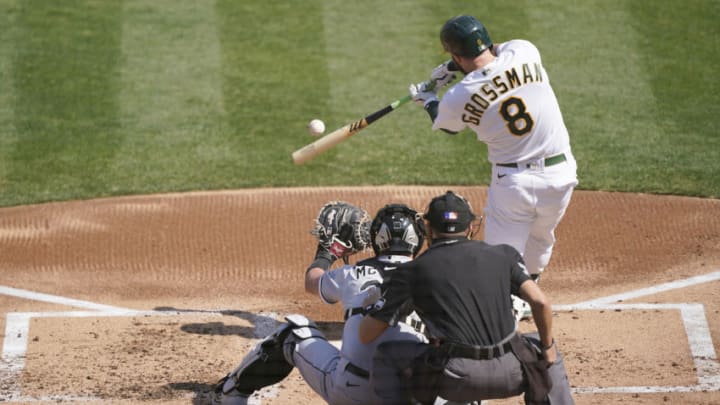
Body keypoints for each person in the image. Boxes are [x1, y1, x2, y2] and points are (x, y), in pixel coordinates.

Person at [409, 15, 578, 319]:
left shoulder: (460, 96)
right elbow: (497, 51)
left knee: (501, 259)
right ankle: (529, 293)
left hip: (515, 184)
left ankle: (504, 312)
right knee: (541, 237)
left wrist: (428, 98)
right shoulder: (525, 51)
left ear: (455, 54)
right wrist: (455, 67)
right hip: (561, 174)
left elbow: (445, 125)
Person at [359, 191, 574, 404]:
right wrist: (547, 348)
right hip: (512, 372)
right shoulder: (504, 255)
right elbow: (540, 302)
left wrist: (376, 304)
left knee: (387, 356)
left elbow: (366, 334)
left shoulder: (412, 271)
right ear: (470, 227)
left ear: (429, 229)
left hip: (455, 380)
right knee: (545, 348)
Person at [211, 202, 430, 405]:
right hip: (408, 396)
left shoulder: (351, 274)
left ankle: (231, 394)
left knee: (294, 332)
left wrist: (328, 251)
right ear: (417, 239)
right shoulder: (434, 280)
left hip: (351, 392)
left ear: (377, 238)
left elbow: (312, 281)